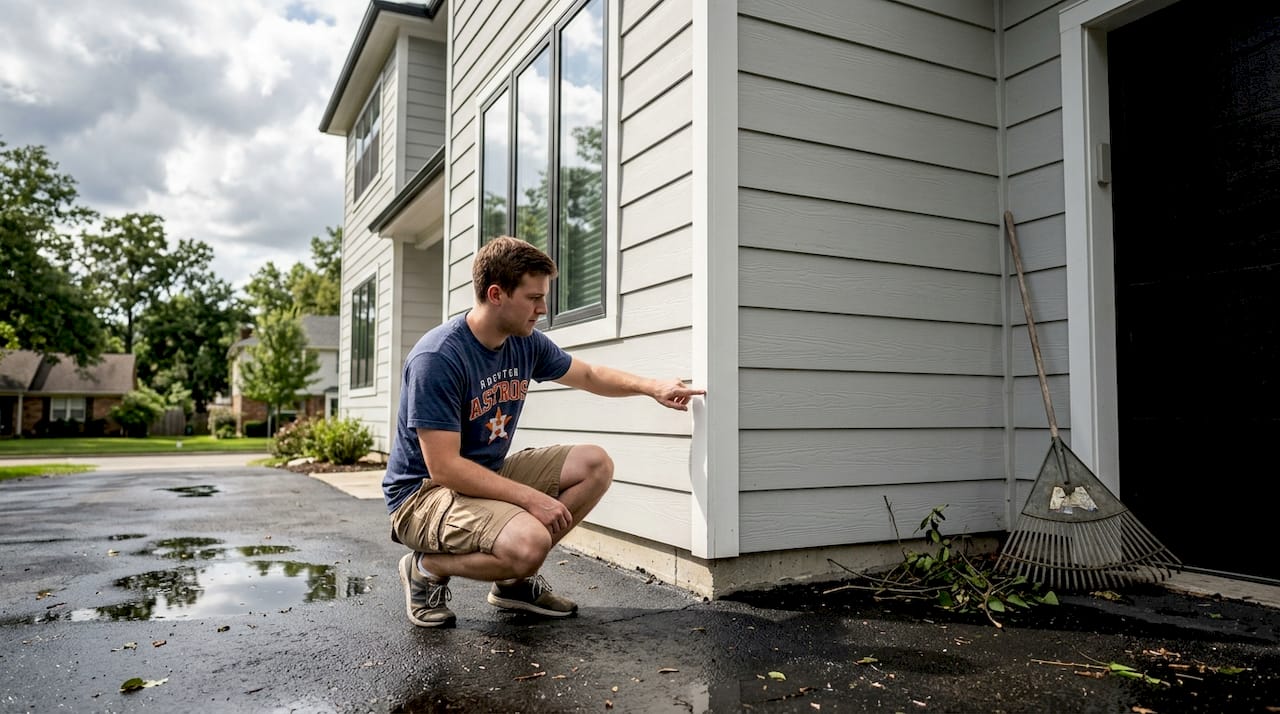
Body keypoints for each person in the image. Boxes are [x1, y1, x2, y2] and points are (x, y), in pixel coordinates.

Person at [384, 236, 705, 628]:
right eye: (533, 297)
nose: (543, 308)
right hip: (422, 497)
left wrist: (652, 387)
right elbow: (445, 468)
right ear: (497, 294)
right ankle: (425, 568)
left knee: (594, 465)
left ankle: (512, 583)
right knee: (530, 541)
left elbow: (588, 374)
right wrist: (532, 501)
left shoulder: (524, 344)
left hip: (483, 475)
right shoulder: (438, 359)